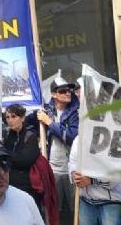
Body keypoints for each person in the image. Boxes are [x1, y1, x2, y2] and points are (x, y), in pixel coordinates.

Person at [37, 75, 79, 225]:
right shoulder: (45, 110)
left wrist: (50, 123)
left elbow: (72, 136)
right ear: (54, 94)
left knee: (76, 210)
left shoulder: (76, 111)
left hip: (72, 169)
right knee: (54, 209)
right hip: (52, 169)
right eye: (63, 91)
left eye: (69, 90)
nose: (68, 93)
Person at [69, 134, 121, 225]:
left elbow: (117, 174)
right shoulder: (79, 139)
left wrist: (91, 180)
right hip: (85, 202)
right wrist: (75, 175)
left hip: (110, 202)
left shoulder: (114, 138)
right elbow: (72, 163)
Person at [2, 105, 41, 208]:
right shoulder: (6, 135)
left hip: (26, 188)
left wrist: (5, 152)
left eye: (14, 116)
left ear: (23, 118)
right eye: (7, 117)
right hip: (8, 185)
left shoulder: (30, 137)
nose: (10, 120)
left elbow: (25, 161)